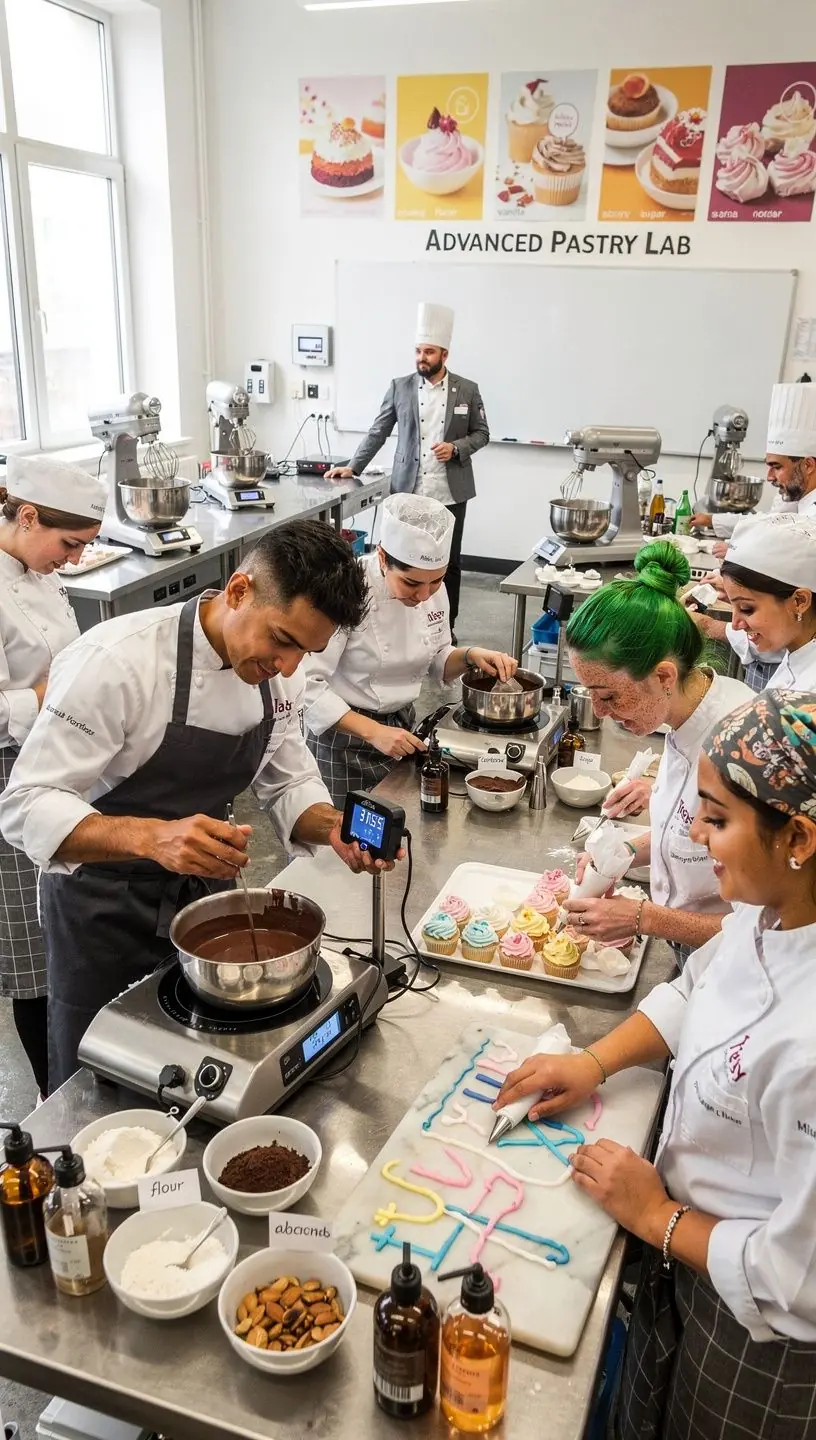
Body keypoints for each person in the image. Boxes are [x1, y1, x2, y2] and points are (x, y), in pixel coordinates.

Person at [495, 689, 816, 1440]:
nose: (695, 836)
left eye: (717, 818)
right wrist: (593, 1062)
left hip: (764, 1335)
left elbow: (800, 1277)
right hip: (690, 1253)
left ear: (797, 836)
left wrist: (655, 1216)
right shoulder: (775, 911)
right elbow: (698, 988)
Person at [0, 519, 396, 1091]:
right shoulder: (117, 663)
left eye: (305, 651)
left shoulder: (278, 674)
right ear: (238, 591)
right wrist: (152, 837)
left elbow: (288, 784)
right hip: (101, 911)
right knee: (100, 1083)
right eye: (282, 640)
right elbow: (26, 803)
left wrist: (330, 825)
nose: (288, 667)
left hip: (201, 904)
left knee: (195, 1073)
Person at [564, 541, 751, 967]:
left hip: (730, 965)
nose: (599, 713)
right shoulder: (681, 714)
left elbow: (767, 928)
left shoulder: (737, 747)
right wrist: (627, 853)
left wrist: (646, 918)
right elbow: (689, 839)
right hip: (689, 951)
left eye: (608, 695)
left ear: (664, 675)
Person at [0, 455, 105, 1098]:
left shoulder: (35, 570)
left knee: (62, 927)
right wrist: (38, 699)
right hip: (9, 781)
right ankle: (51, 1098)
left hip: (54, 762)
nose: (72, 559)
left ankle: (81, 1069)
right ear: (28, 515)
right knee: (30, 957)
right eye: (68, 545)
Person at [303, 493, 517, 807]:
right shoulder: (348, 591)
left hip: (401, 728)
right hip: (344, 736)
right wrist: (372, 732)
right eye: (411, 583)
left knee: (392, 829)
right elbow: (307, 686)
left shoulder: (433, 590)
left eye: (436, 581)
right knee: (343, 837)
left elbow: (438, 658)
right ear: (381, 557)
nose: (424, 594)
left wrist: (470, 655)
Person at [326, 302, 489, 635]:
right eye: (418, 351)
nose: (421, 358)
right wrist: (353, 465)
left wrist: (457, 448)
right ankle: (392, 624)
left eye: (428, 351)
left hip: (449, 492)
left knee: (448, 563)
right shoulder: (399, 387)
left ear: (444, 354)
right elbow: (379, 430)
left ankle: (446, 628)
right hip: (408, 491)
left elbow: (483, 433)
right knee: (399, 561)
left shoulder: (467, 390)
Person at [688, 513, 816, 693]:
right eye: (732, 604)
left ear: (799, 601)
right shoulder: (798, 648)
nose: (736, 624)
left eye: (746, 608)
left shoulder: (807, 694)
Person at [691, 379, 816, 544]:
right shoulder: (799, 498)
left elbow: (791, 552)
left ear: (808, 465)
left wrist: (736, 552)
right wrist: (712, 520)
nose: (769, 477)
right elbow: (769, 523)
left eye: (777, 467)